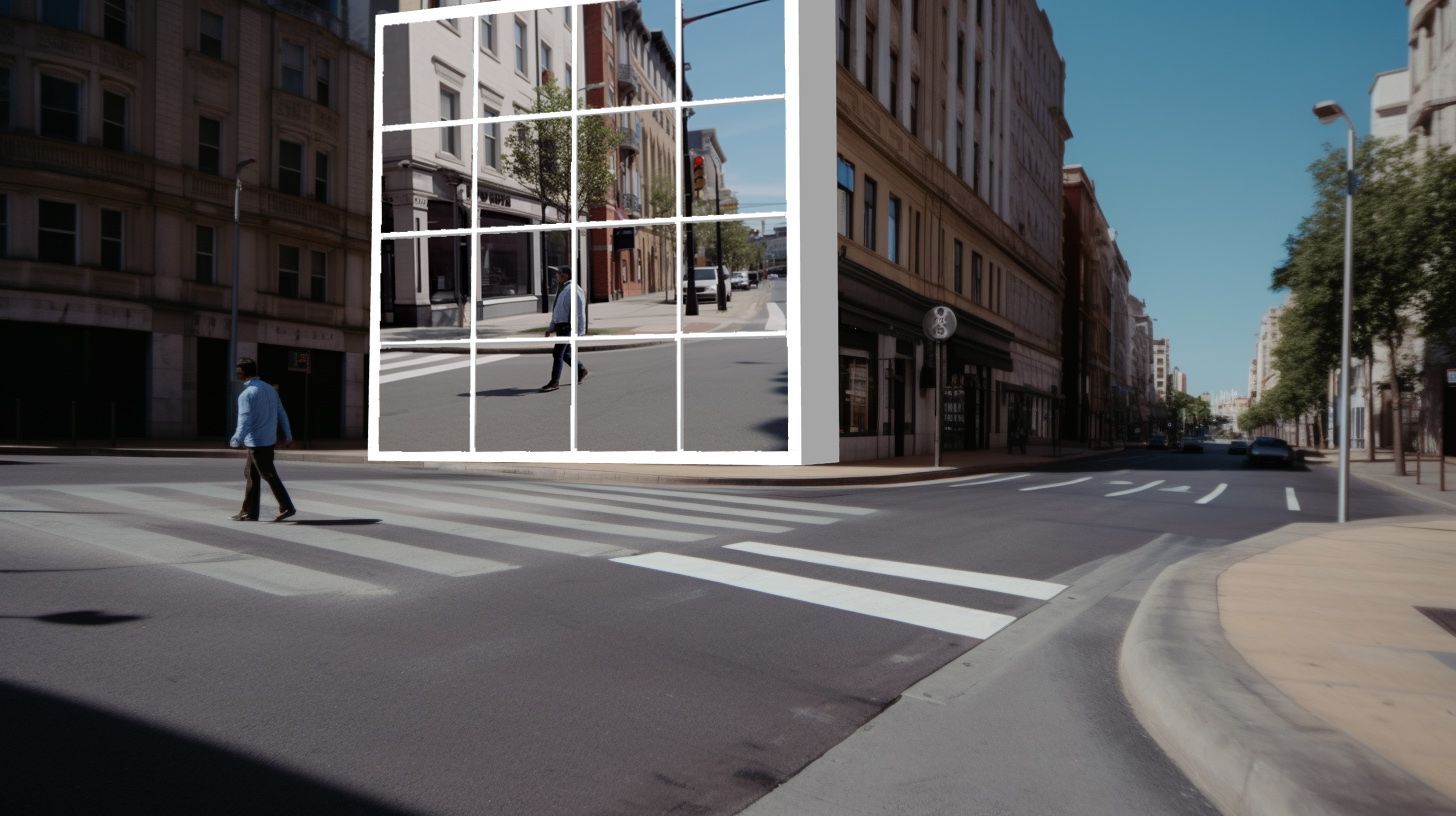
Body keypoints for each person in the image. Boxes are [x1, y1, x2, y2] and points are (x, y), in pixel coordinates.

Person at [229, 358, 297, 522]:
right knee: (251, 474)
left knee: (268, 474)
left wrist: (236, 439)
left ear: (244, 373)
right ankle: (249, 512)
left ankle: (287, 506)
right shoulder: (270, 390)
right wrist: (288, 435)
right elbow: (282, 413)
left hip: (256, 442)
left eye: (238, 372)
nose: (237, 374)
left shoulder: (247, 394)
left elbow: (244, 420)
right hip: (268, 440)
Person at [540, 266, 588, 392]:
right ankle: (581, 370)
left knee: (557, 353)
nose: (556, 276)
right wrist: (551, 327)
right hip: (561, 326)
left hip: (568, 326)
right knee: (565, 354)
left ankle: (554, 382)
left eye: (559, 273)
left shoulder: (575, 289)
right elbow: (557, 310)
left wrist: (580, 331)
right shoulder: (562, 289)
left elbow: (580, 311)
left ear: (566, 275)